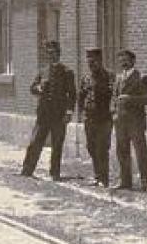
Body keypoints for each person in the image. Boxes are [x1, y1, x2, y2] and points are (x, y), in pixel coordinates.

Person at [19, 40, 76, 180]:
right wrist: (38, 88)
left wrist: (69, 112)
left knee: (57, 144)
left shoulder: (67, 72)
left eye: (54, 53)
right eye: (48, 54)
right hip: (43, 114)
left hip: (59, 114)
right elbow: (32, 88)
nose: (51, 56)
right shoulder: (43, 71)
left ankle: (54, 173)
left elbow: (72, 94)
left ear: (59, 54)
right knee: (35, 142)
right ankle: (27, 170)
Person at [112, 48, 147, 191]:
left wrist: (130, 99)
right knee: (122, 150)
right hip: (120, 121)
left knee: (140, 151)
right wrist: (114, 112)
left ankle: (146, 182)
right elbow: (114, 97)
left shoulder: (142, 77)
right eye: (121, 60)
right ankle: (125, 181)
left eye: (126, 60)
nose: (123, 63)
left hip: (135, 121)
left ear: (133, 61)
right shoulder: (118, 77)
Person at [78, 47, 114, 187]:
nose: (91, 65)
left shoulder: (109, 76)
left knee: (102, 147)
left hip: (104, 118)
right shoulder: (86, 78)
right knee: (91, 147)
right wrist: (81, 112)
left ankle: (103, 179)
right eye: (89, 62)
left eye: (94, 62)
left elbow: (113, 96)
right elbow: (81, 96)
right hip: (89, 118)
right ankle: (97, 174)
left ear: (100, 61)